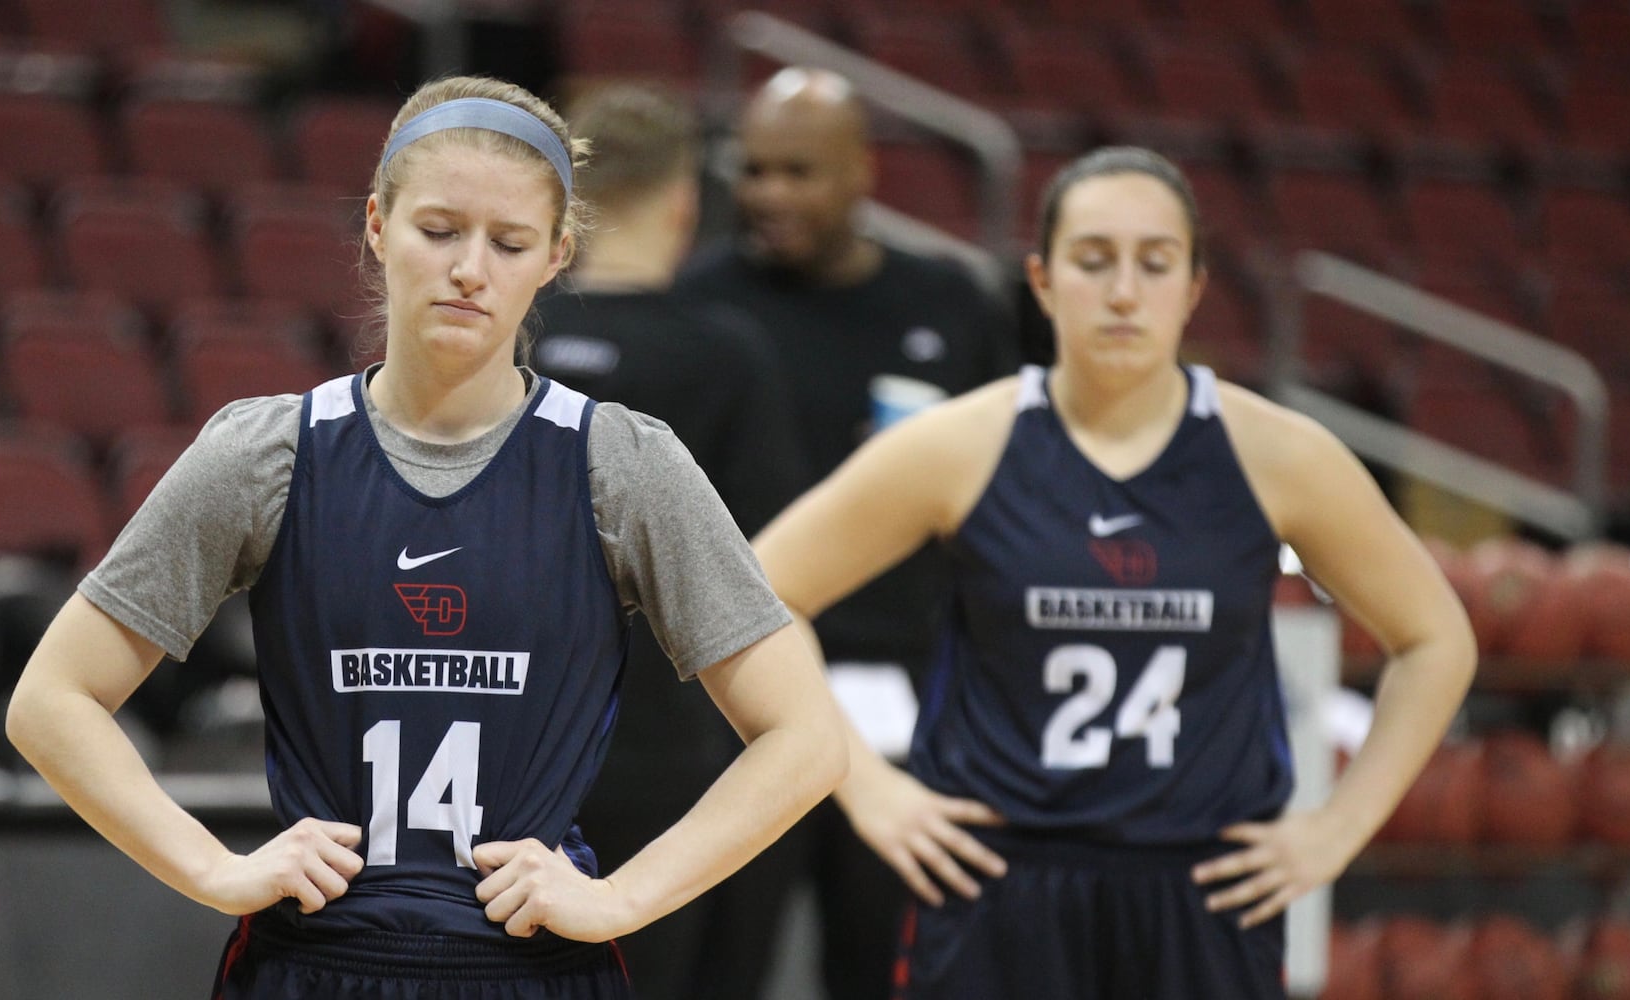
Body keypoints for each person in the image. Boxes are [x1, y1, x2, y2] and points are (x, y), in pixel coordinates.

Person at [4, 74, 847, 1000]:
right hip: (315, 965)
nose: (470, 269)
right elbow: (52, 700)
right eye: (438, 230)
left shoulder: (621, 463)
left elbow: (804, 737)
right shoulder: (269, 451)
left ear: (557, 255)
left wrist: (625, 898)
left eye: (510, 242)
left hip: (533, 967)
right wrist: (211, 869)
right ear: (376, 224)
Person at [751, 146, 1477, 998]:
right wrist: (867, 787)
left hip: (1204, 887)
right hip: (999, 882)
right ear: (1044, 281)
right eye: (1093, 261)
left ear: (1196, 285)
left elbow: (1436, 640)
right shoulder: (963, 445)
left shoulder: (1280, 455)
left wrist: (1340, 829)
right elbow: (762, 596)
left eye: (1155, 263)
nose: (1124, 291)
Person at [677, 66, 1017, 1000]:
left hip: (903, 690)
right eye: (755, 171)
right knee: (723, 966)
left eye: (799, 171)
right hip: (734, 690)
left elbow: (1008, 487)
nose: (769, 195)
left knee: (884, 966)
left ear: (862, 173)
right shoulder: (702, 302)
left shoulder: (950, 307)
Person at [530, 84, 812, 1000]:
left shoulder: (505, 336)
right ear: (688, 203)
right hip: (674, 742)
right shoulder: (727, 352)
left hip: (508, 736)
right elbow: (774, 561)